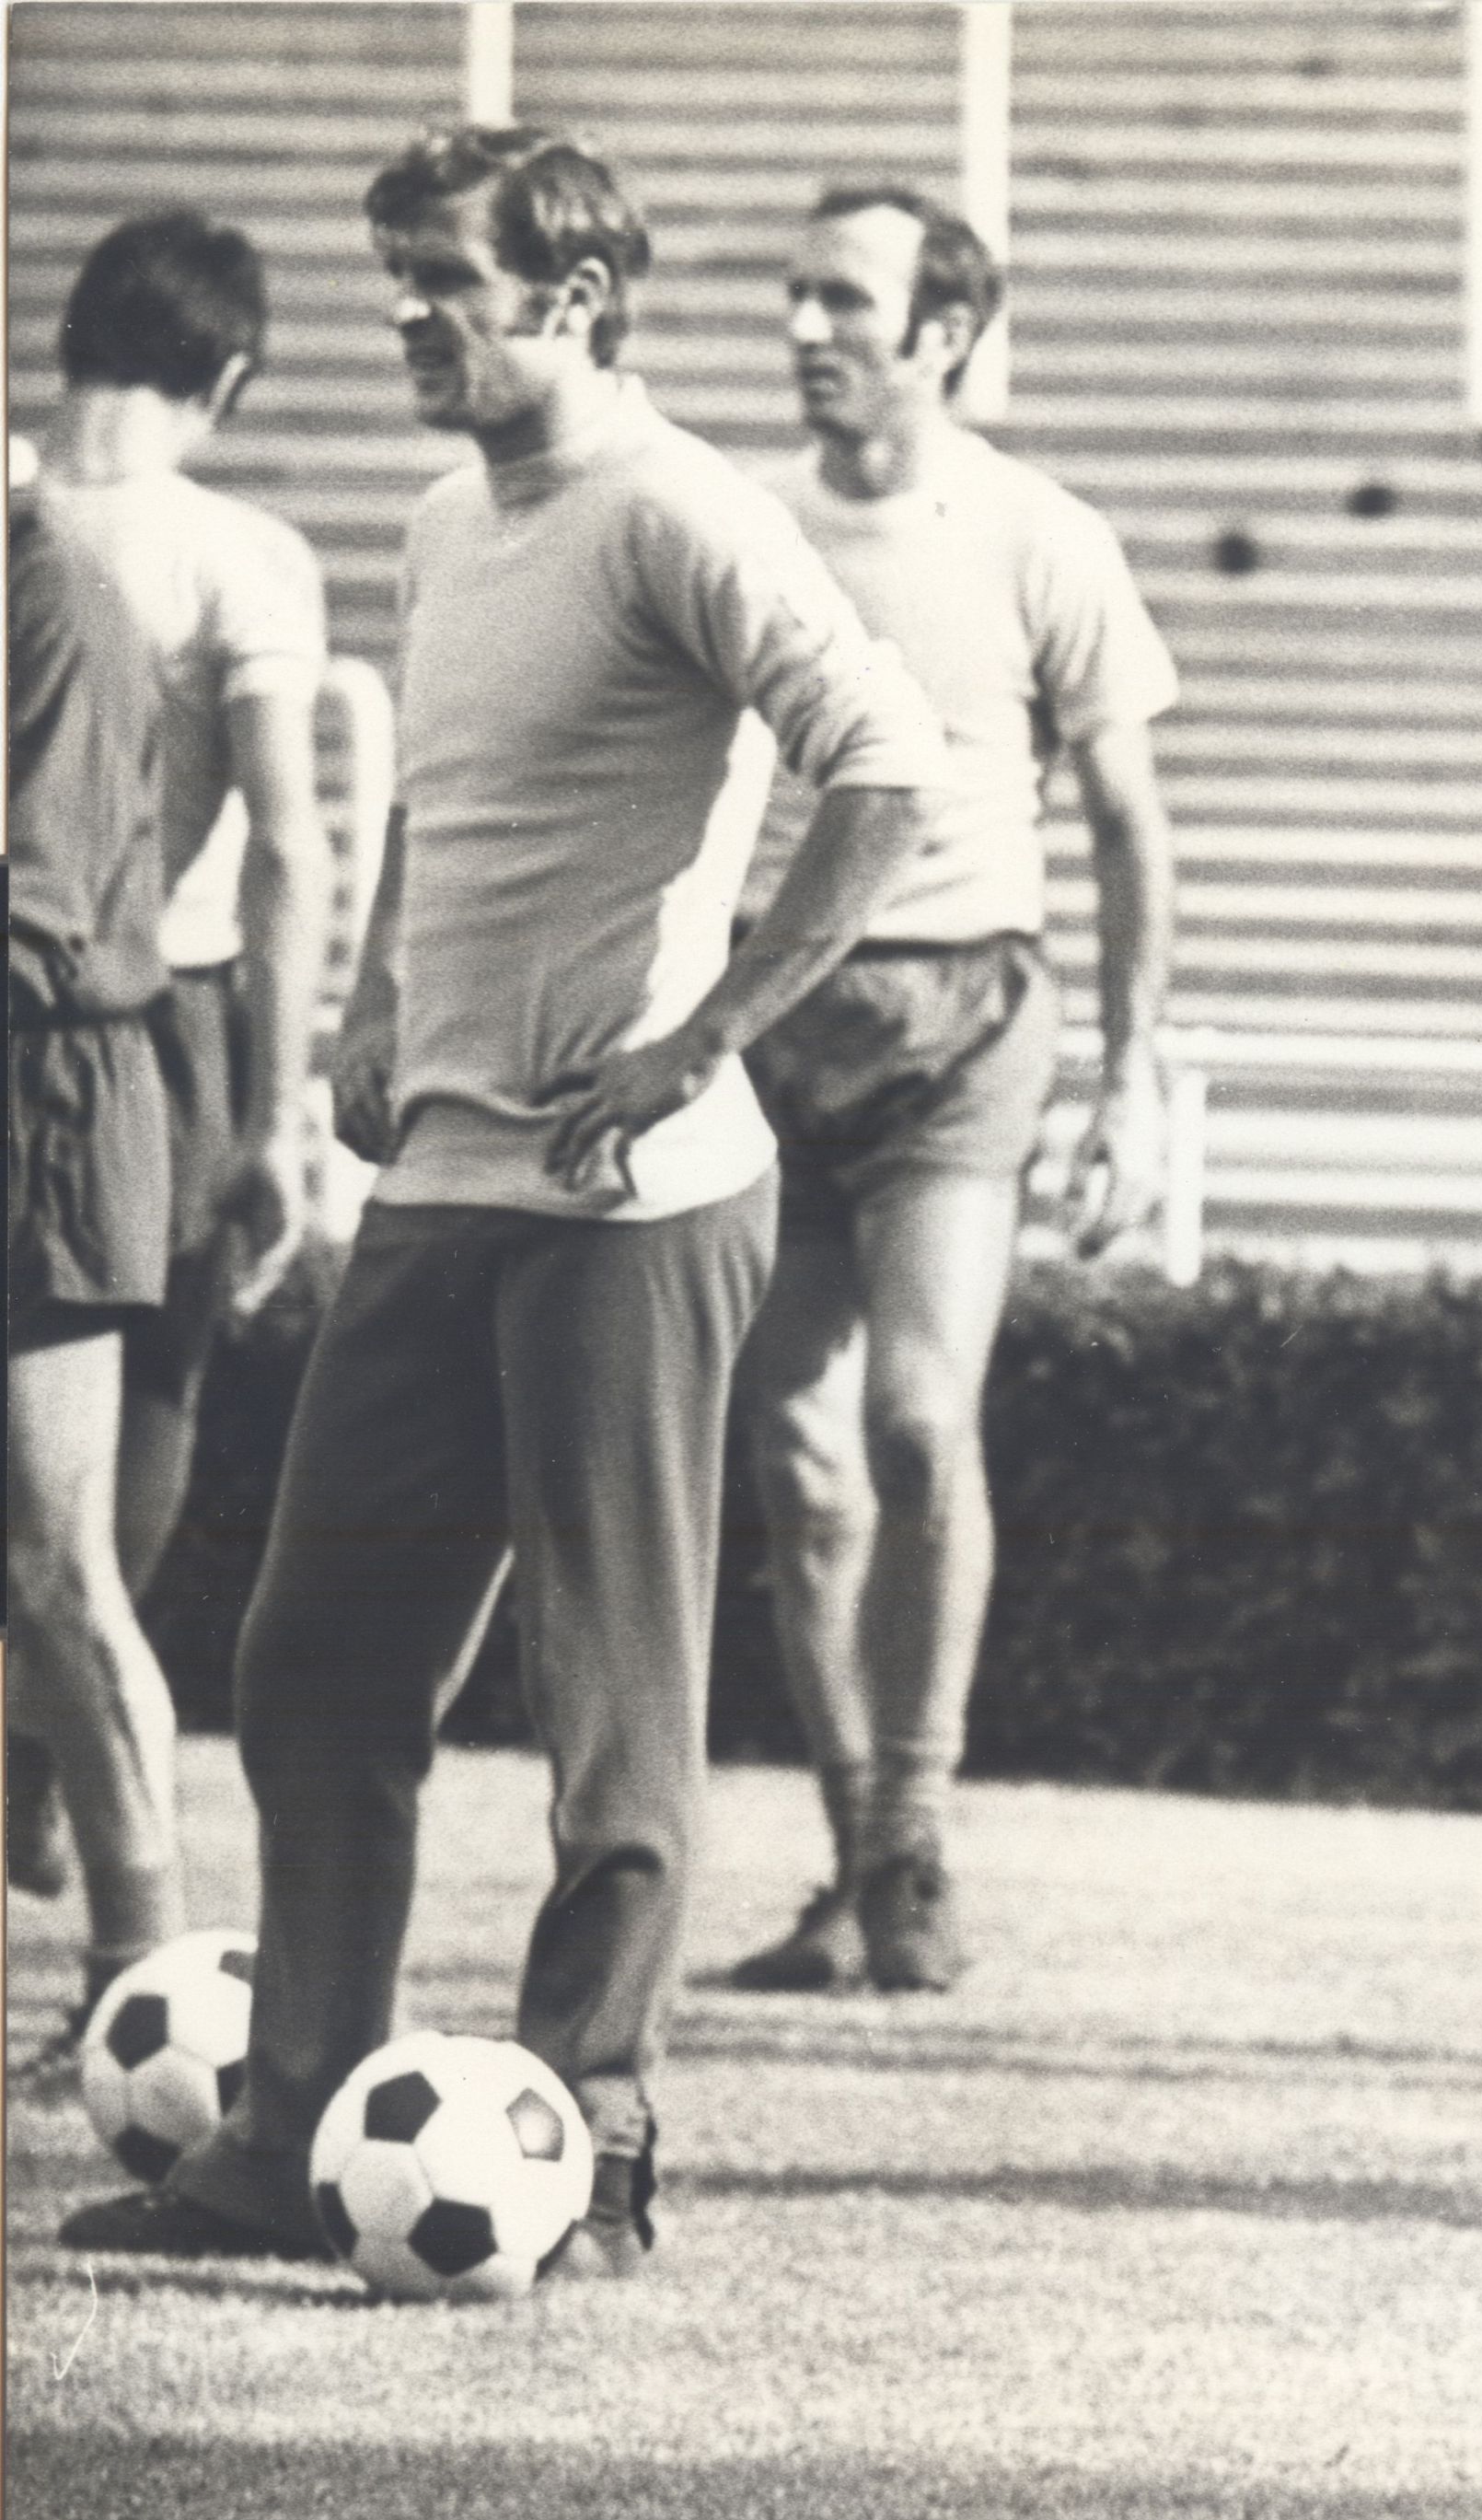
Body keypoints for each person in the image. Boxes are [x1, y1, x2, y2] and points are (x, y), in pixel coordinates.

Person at [62, 122, 944, 2280]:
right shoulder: (445, 515)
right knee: (314, 1661)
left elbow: (888, 764)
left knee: (605, 1695)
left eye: (441, 279)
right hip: (439, 1178)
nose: (402, 317)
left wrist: (711, 1034)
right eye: (394, 275)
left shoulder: (679, 507)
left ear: (571, 295)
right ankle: (289, 2135)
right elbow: (438, 804)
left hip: (633, 1203)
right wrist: (373, 997)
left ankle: (597, 2135)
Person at [712, 181, 1180, 1996]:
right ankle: (861, 1862)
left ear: (946, 334)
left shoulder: (1039, 533)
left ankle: (913, 1829)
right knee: (793, 1448)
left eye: (845, 299)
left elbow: (1129, 825)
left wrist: (1130, 1083)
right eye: (795, 294)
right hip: (775, 1009)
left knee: (915, 1419)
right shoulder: (742, 526)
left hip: (965, 1011)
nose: (805, 329)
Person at [6, 213, 330, 1921]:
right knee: (136, 1414)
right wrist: (283, 1109)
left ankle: (51, 1762)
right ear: (230, 374)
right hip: (157, 1012)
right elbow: (286, 843)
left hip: (68, 1005)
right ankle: (53, 1752)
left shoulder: (32, 526)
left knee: (55, 1494)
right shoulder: (235, 553)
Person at [8, 486, 187, 2037]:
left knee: (54, 1562)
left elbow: (38, 916)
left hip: (44, 1096)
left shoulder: (49, 586)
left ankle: (145, 1977)